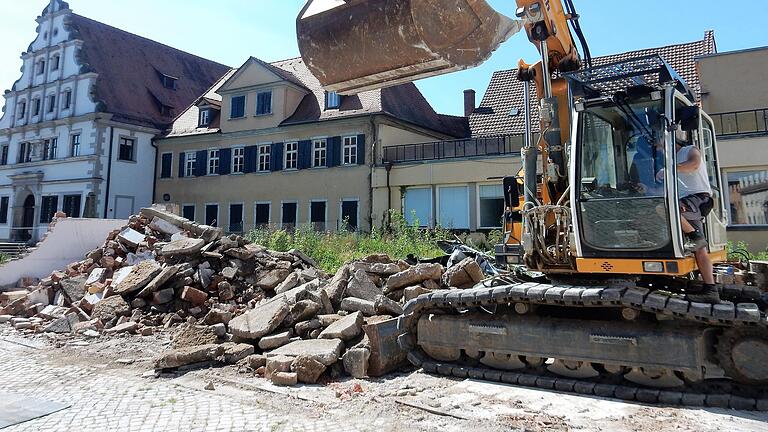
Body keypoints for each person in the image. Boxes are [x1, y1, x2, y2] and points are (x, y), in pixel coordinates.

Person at [657, 136, 720, 304]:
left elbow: (694, 165)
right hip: (687, 203)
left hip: (699, 198)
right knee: (700, 250)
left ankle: (694, 236)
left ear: (670, 140)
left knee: (663, 208)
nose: (659, 149)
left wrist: (671, 169)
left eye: (660, 145)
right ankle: (711, 291)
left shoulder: (690, 150)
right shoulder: (671, 160)